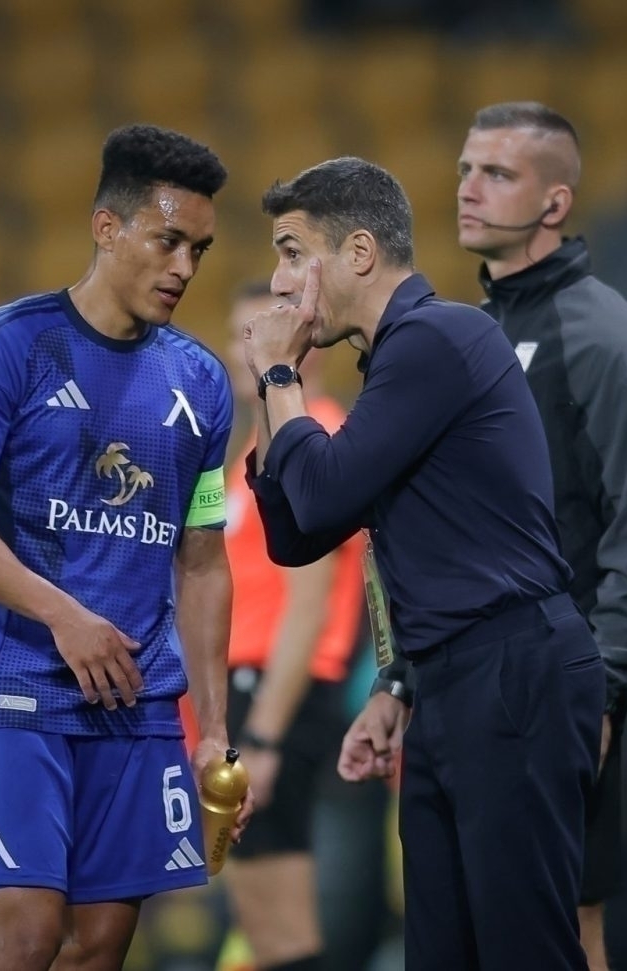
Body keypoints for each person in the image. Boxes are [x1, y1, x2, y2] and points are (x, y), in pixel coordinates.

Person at [242, 156, 604, 970]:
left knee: (524, 952)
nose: (281, 280)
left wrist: (278, 374)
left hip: (512, 671)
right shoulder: (398, 362)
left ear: (359, 252)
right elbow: (295, 535)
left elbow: (323, 495)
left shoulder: (440, 338)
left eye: (294, 253)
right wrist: (400, 683)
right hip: (448, 680)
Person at [0, 124, 245, 971]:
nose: (185, 267)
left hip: (136, 707)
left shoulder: (203, 383)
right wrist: (63, 616)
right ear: (107, 227)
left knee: (99, 948)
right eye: (168, 240)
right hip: (16, 694)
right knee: (26, 938)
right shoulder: (9, 344)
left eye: (200, 250)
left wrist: (213, 729)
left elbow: (202, 558)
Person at [456, 101, 627, 969]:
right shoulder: (472, 331)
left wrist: (602, 688)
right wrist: (401, 679)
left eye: (497, 173)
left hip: (559, 688)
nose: (469, 188)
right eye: (467, 168)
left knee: (566, 922)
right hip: (466, 683)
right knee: (474, 924)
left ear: (555, 201)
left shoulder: (607, 339)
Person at [220, 280, 365, 971]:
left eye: (257, 334)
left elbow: (310, 603)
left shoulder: (315, 439)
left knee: (280, 932)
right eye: (236, 334)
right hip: (252, 689)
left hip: (279, 695)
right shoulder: (259, 447)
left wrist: (263, 737)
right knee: (260, 926)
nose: (239, 350)